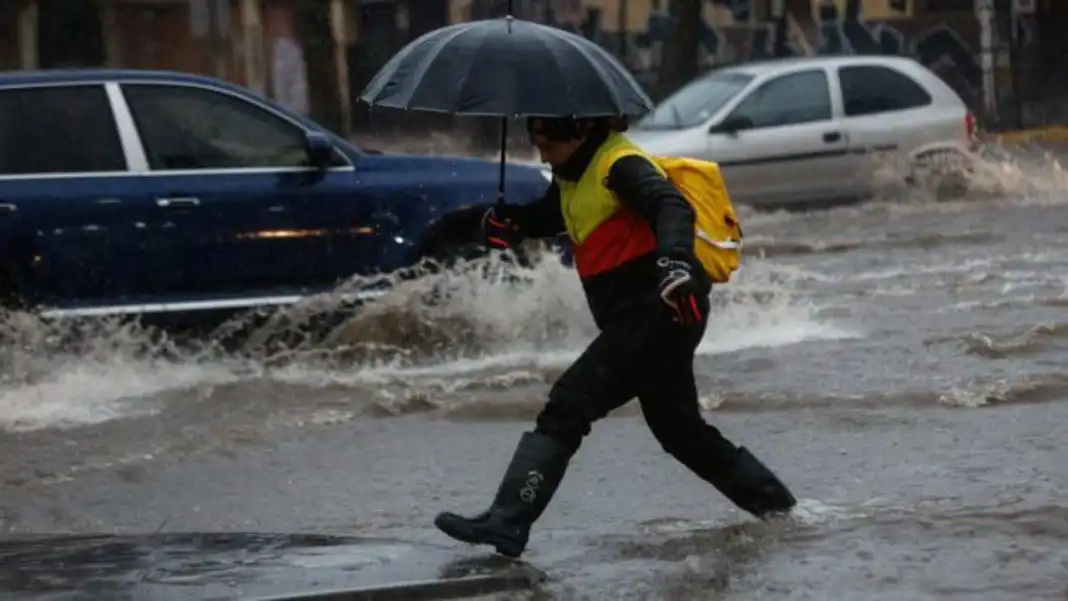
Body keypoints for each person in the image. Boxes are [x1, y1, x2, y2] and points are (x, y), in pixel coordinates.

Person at [433, 115, 797, 558]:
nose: (540, 152)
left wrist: (676, 263)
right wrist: (514, 222)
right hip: (643, 316)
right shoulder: (573, 173)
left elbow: (671, 206)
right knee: (681, 433)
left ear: (579, 131)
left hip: (660, 309)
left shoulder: (619, 164)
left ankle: (508, 520)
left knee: (569, 403)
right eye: (533, 141)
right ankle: (779, 509)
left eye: (546, 142)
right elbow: (555, 214)